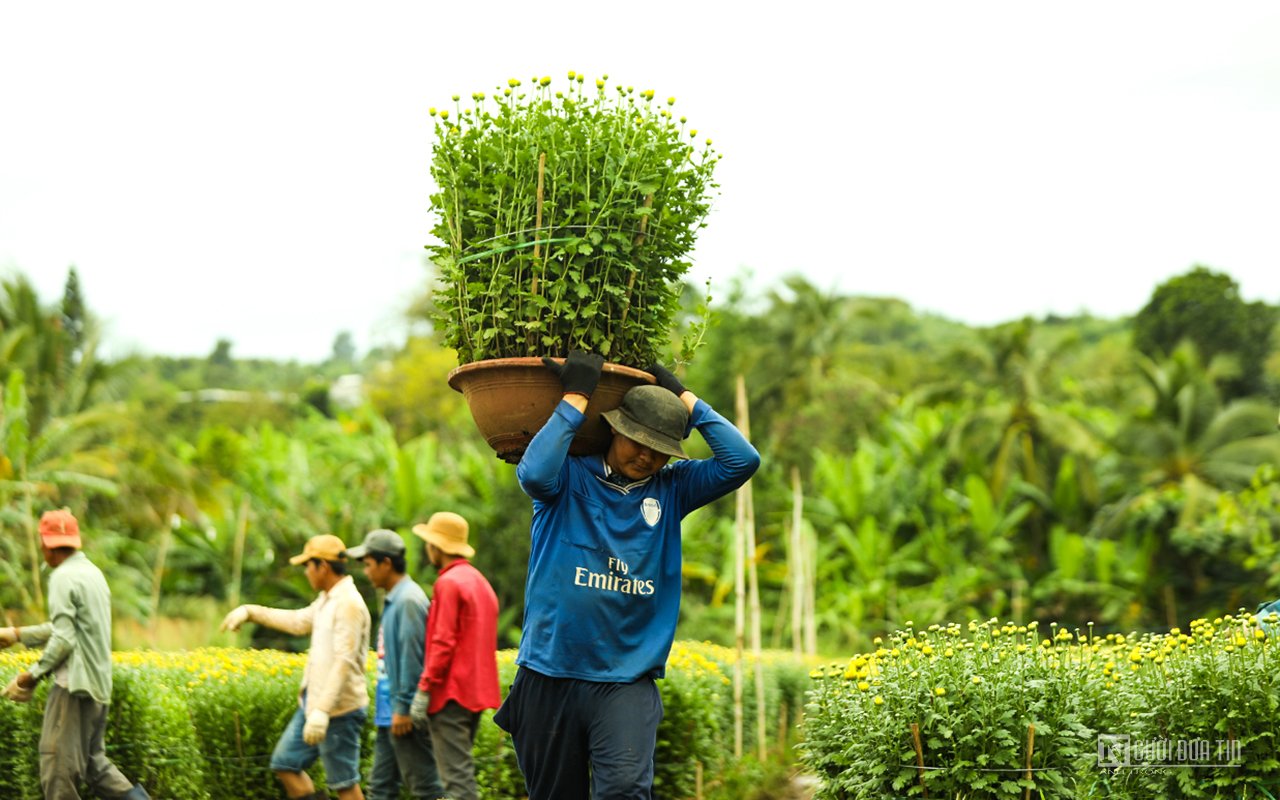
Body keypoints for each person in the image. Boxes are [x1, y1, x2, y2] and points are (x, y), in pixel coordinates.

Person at [493, 352, 760, 800]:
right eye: (638, 440)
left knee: (624, 791)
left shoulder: (673, 489)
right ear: (614, 427)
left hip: (625, 679)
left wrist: (684, 396)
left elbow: (742, 460)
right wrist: (576, 395)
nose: (647, 456)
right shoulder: (568, 478)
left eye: (661, 449)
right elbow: (534, 474)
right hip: (549, 669)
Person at [0, 509, 151, 800]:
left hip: (72, 689)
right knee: (95, 765)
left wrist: (31, 676)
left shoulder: (62, 577)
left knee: (57, 771)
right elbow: (67, 628)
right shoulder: (92, 574)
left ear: (45, 544)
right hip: (97, 687)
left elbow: (64, 638)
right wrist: (17, 634)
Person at [220, 534, 371, 800]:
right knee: (286, 764)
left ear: (322, 566)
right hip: (312, 706)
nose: (305, 573)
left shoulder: (348, 603)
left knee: (344, 783)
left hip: (339, 710)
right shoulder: (327, 599)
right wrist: (250, 611)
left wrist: (323, 712)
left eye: (307, 566)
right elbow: (298, 621)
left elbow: (344, 661)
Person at [346, 528, 446, 800]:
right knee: (380, 788)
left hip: (403, 714)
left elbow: (412, 659)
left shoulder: (408, 601)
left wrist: (403, 707)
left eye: (368, 565)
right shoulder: (395, 599)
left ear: (386, 563)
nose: (366, 572)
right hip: (389, 713)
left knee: (426, 789)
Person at [408, 511, 500, 800]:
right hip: (473, 695)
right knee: (461, 774)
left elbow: (442, 642)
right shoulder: (479, 582)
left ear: (436, 547)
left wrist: (424, 689)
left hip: (450, 694)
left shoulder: (448, 583)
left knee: (457, 784)